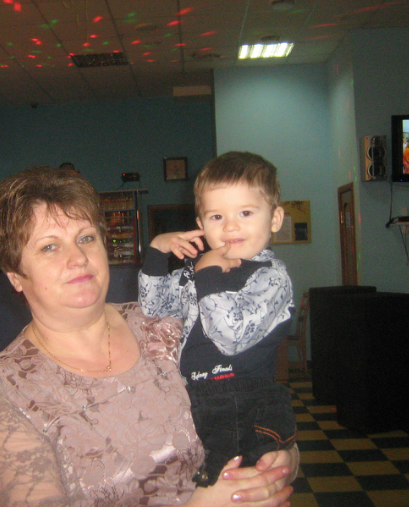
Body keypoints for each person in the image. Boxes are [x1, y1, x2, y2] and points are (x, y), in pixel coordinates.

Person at [0, 166, 299, 507]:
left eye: (86, 238)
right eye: (50, 247)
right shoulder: (3, 385)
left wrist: (279, 463)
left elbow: (250, 409)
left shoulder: (165, 324)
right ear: (15, 276)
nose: (78, 258)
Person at [138, 152, 296, 487]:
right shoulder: (198, 271)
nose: (230, 226)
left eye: (246, 213)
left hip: (244, 404)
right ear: (201, 224)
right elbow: (155, 308)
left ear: (275, 218)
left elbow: (230, 337)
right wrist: (157, 254)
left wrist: (208, 274)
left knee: (230, 490)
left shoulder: (271, 277)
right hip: (194, 398)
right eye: (217, 216)